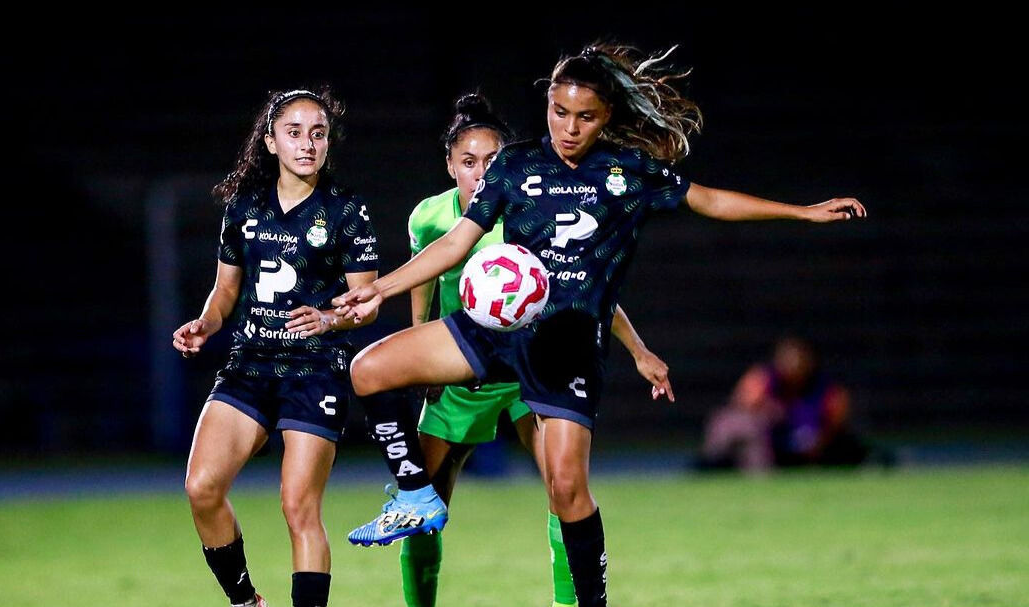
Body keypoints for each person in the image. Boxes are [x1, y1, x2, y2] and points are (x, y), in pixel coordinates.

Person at [333, 42, 867, 607]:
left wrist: (801, 212)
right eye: (558, 112)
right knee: (369, 369)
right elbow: (459, 241)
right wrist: (379, 288)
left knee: (567, 491)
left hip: (565, 345)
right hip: (496, 328)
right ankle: (416, 493)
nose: (568, 127)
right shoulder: (515, 164)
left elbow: (708, 199)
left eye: (584, 117)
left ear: (606, 116)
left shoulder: (627, 173)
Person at [402, 91, 673, 607]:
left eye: (490, 161)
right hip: (466, 369)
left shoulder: (529, 209)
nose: (480, 173)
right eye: (467, 162)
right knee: (423, 509)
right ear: (449, 165)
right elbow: (426, 282)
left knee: (563, 490)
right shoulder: (431, 218)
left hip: (533, 365)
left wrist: (638, 349)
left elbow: (582, 290)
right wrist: (421, 347)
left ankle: (569, 603)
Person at [172, 86, 381, 607]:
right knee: (201, 487)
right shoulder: (244, 209)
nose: (307, 144)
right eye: (294, 133)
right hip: (250, 366)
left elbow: (368, 303)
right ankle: (247, 602)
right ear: (270, 142)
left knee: (298, 509)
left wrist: (330, 317)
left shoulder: (347, 210)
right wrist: (205, 322)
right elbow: (226, 291)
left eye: (318, 134)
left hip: (316, 370)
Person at [698, 335, 871, 472]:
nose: (793, 366)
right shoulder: (764, 380)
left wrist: (820, 441)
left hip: (815, 449)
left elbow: (838, 416)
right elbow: (742, 404)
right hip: (772, 445)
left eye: (798, 360)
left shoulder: (824, 388)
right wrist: (768, 410)